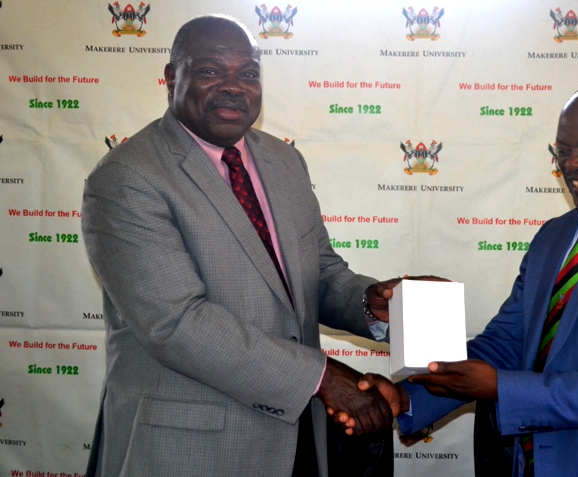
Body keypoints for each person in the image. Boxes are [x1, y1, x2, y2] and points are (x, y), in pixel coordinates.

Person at [351, 79, 578, 476]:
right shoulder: (555, 235)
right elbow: (506, 344)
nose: (572, 163)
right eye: (563, 151)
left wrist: (501, 388)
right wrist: (407, 398)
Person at [82, 14, 401, 477]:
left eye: (248, 73)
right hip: (190, 449)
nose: (235, 86)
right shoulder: (128, 177)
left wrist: (372, 304)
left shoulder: (283, 159)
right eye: (211, 70)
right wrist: (321, 376)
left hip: (298, 439)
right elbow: (176, 323)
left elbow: (318, 273)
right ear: (172, 78)